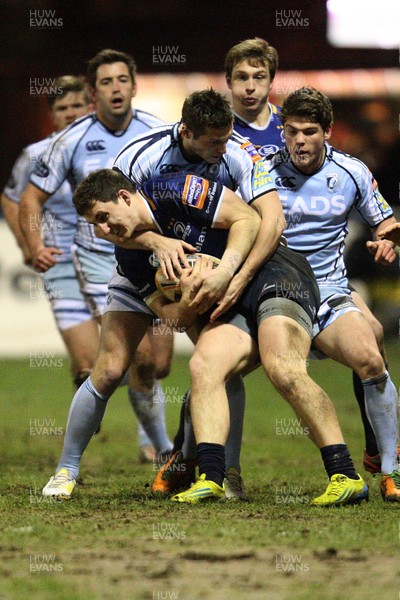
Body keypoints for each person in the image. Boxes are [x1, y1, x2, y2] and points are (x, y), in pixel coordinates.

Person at [73, 168, 369, 508]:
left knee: (283, 368)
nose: (104, 231)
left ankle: (345, 475)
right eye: (95, 226)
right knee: (204, 365)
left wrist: (225, 273)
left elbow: (247, 219)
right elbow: (174, 320)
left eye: (104, 218)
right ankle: (211, 478)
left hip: (273, 273)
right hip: (227, 301)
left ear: (124, 197)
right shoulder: (129, 257)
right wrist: (189, 297)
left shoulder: (176, 189)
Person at [216, 86, 400, 502]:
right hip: (272, 291)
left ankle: (391, 468)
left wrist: (388, 241)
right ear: (282, 131)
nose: (300, 141)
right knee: (213, 370)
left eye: (310, 132)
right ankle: (216, 471)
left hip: (328, 291)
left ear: (328, 132)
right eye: (292, 131)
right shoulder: (258, 170)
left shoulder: (351, 172)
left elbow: (384, 223)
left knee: (370, 356)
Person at [113, 88, 286, 499]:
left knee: (217, 366)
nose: (222, 149)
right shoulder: (141, 157)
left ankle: (218, 468)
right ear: (186, 131)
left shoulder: (240, 152)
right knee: (184, 367)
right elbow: (115, 221)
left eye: (227, 138)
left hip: (230, 263)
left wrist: (232, 274)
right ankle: (191, 460)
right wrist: (159, 246)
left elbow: (269, 220)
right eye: (213, 142)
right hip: (161, 265)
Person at [19, 50, 173, 485]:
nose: (116, 88)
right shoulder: (69, 140)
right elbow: (31, 198)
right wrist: (35, 244)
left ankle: (150, 431)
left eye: (123, 79)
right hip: (99, 260)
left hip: (151, 255)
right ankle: (162, 450)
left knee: (156, 365)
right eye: (106, 82)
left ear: (134, 85)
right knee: (129, 357)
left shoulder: (157, 133)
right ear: (92, 92)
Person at [1, 75, 99, 388]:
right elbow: (11, 198)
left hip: (111, 261)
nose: (71, 113)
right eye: (62, 107)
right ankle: (85, 388)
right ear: (52, 114)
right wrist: (28, 245)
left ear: (90, 107)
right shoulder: (35, 156)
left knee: (146, 360)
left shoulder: (112, 149)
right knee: (90, 362)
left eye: (77, 105)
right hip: (62, 263)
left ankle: (149, 436)